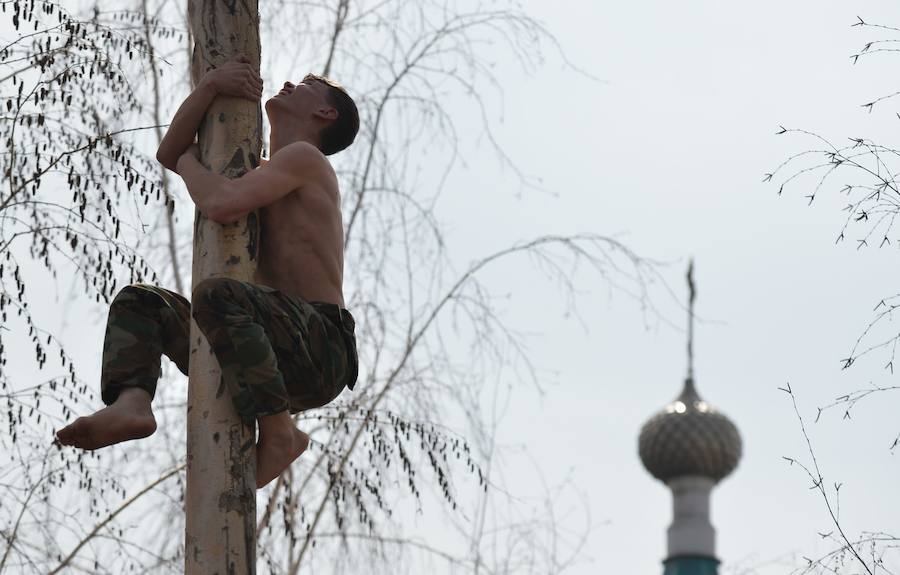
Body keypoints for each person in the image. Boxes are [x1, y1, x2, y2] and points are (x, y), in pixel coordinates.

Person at [55, 55, 360, 489]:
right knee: (141, 302)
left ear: (324, 113)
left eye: (308, 83)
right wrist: (209, 87)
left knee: (218, 294)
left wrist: (190, 165)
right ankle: (133, 403)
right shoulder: (269, 169)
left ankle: (279, 433)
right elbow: (168, 152)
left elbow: (219, 203)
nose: (291, 81)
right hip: (270, 343)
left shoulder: (305, 159)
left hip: (320, 346)